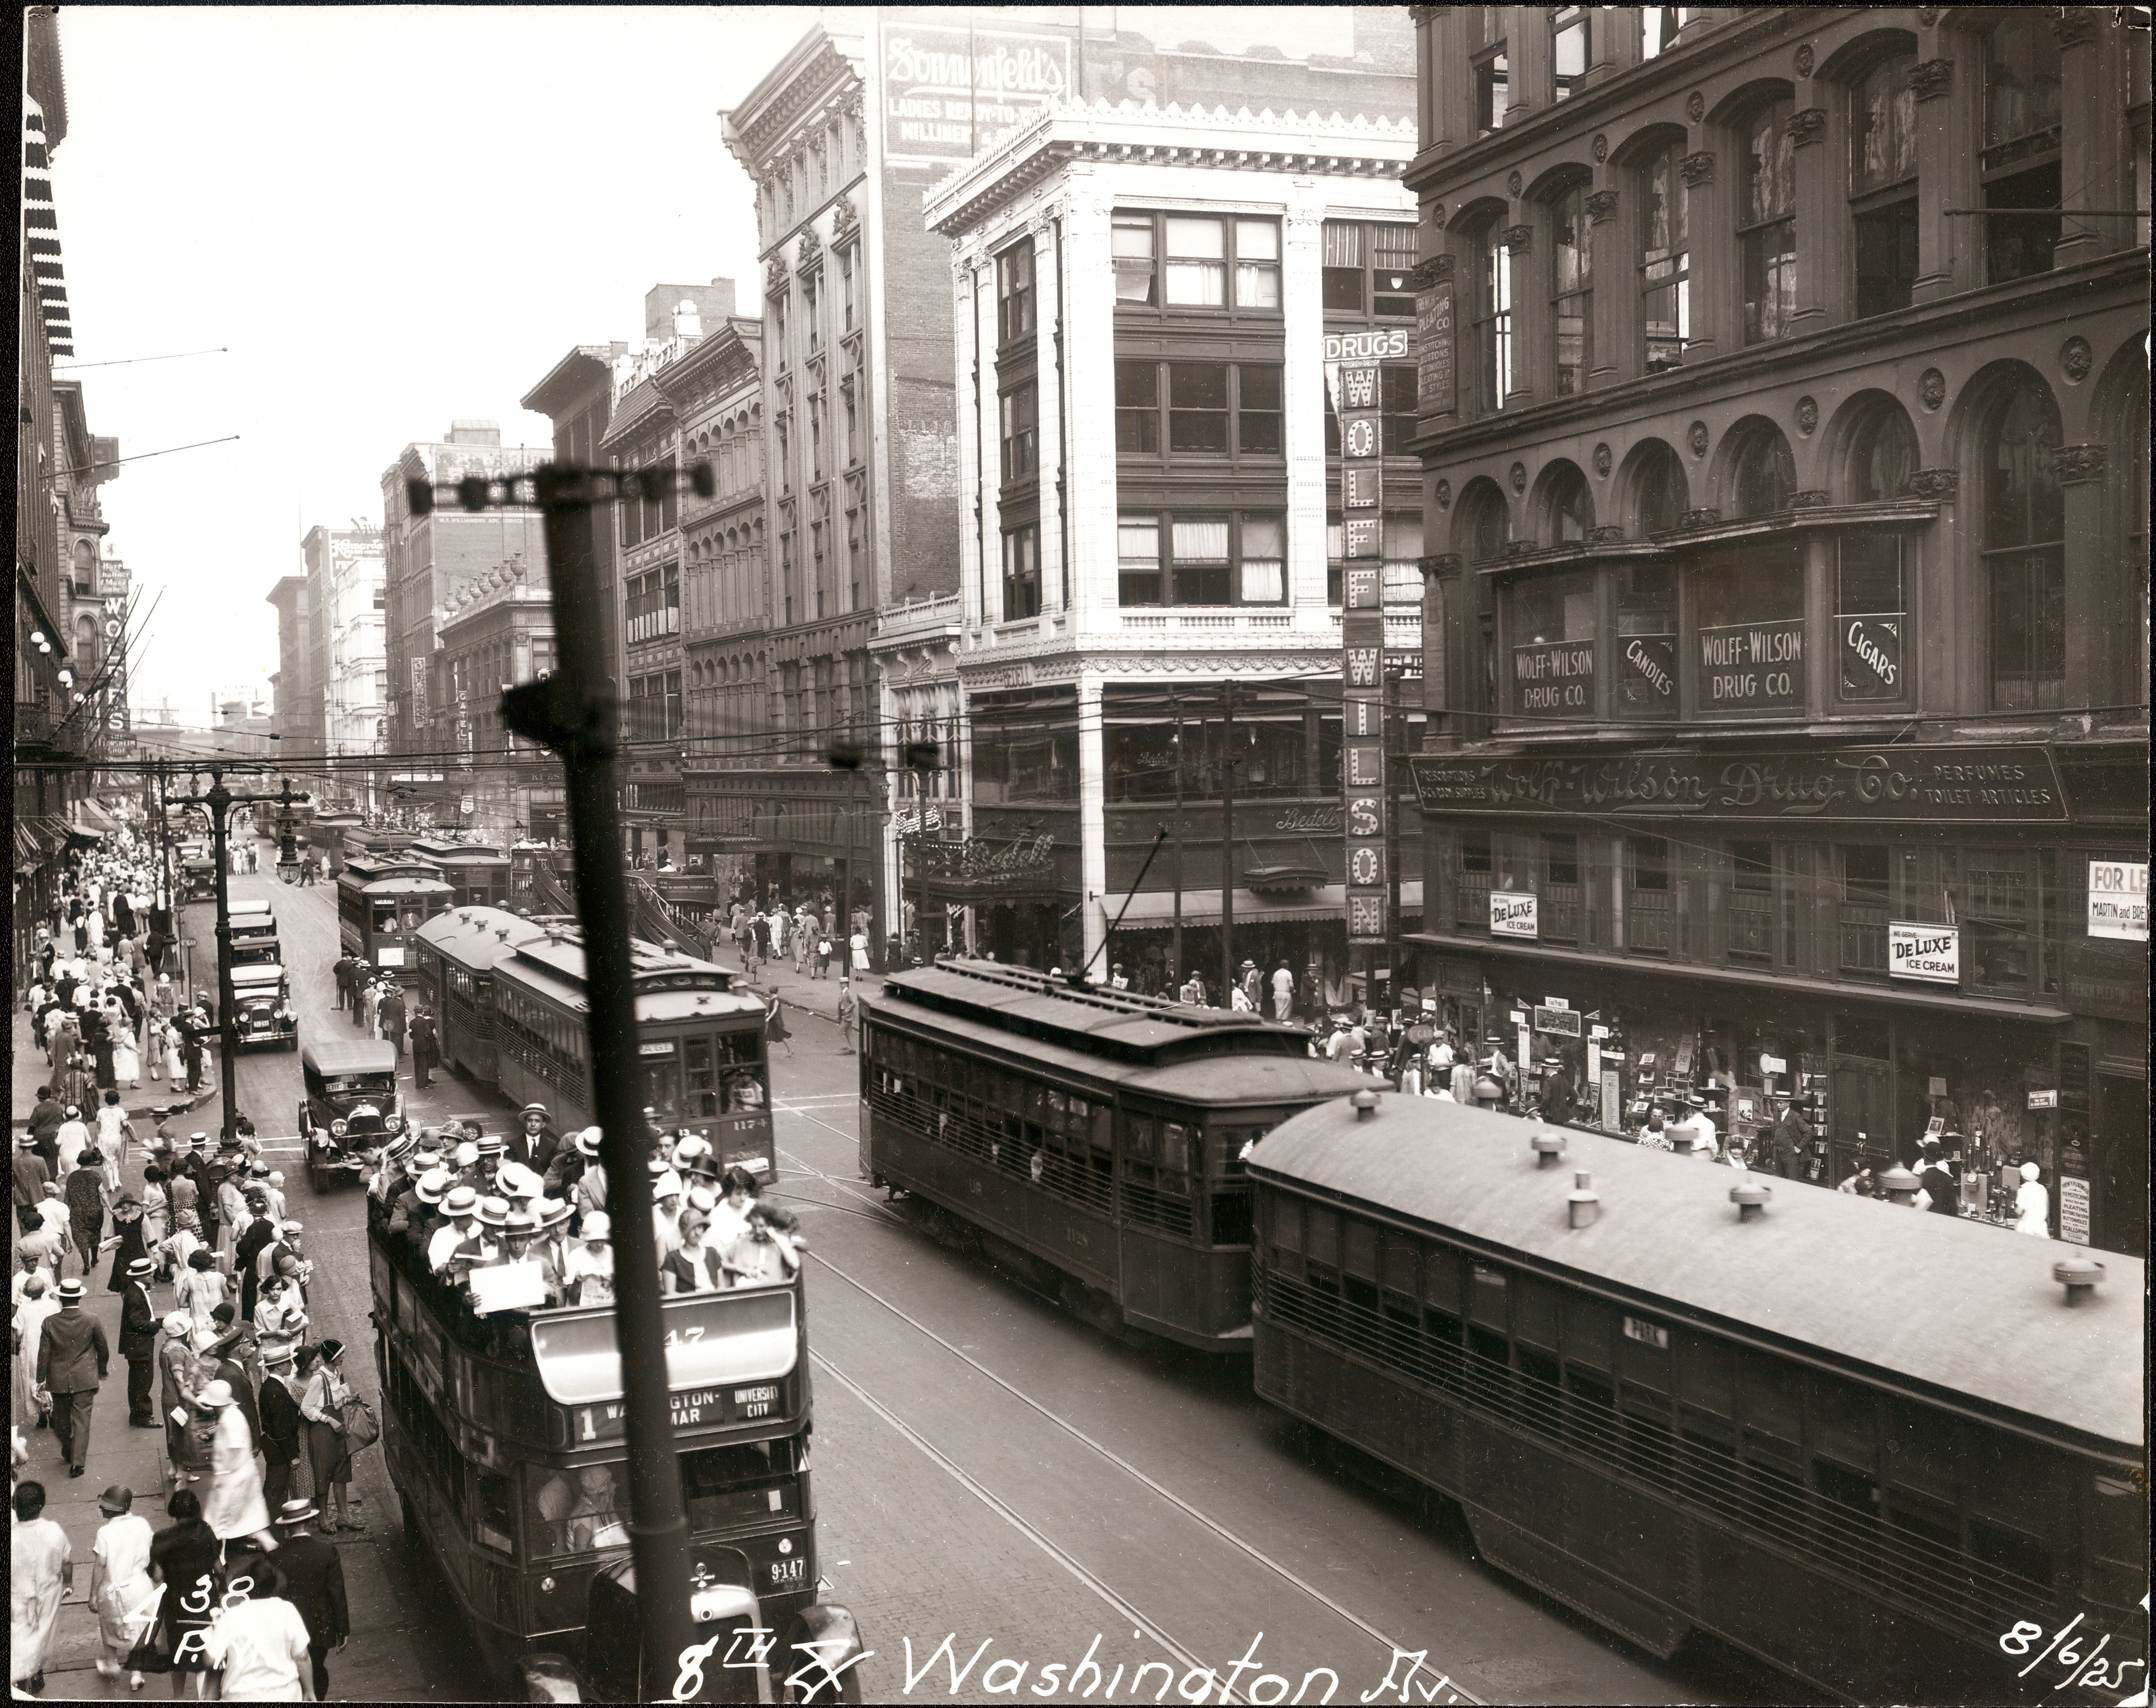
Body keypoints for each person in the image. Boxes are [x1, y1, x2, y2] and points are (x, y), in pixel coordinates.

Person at [200, 1551, 315, 1702]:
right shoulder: (287, 1610)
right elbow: (302, 1656)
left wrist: (211, 1639)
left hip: (241, 1695)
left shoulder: (232, 1616)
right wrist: (309, 1691)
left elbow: (210, 1660)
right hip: (284, 1694)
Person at [270, 1498, 349, 1702]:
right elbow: (337, 1593)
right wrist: (342, 1629)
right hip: (318, 1626)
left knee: (292, 1669)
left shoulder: (275, 1556)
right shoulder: (327, 1552)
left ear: (287, 1528)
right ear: (311, 1522)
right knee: (316, 1666)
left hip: (286, 1627)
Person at [148, 1487, 221, 1694]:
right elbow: (219, 1569)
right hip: (206, 1601)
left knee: (178, 1651)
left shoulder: (163, 1538)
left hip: (177, 1604)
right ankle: (204, 1695)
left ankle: (179, 1697)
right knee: (206, 1648)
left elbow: (157, 1576)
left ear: (174, 1512)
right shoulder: (206, 1531)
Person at [39, 1276, 110, 1477]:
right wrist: (102, 1370)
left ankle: (69, 1447)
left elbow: (43, 1354)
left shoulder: (50, 1322)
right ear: (79, 1298)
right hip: (85, 1378)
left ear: (61, 1299)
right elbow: (103, 1349)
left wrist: (40, 1380)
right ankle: (77, 1463)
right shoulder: (92, 1320)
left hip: (58, 1379)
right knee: (82, 1420)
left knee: (59, 1420)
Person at [89, 1484, 157, 1687]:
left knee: (110, 1627)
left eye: (104, 1507)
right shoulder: (142, 1523)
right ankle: (137, 1674)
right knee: (139, 1629)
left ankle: (112, 1664)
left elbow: (101, 1564)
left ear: (112, 1510)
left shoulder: (105, 1532)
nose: (101, 1509)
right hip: (140, 1585)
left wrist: (93, 1595)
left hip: (114, 1587)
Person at [10, 1480, 73, 1695]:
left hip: (18, 1597)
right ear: (41, 1506)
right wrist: (68, 1583)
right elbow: (66, 1561)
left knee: (19, 1636)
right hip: (48, 1595)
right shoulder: (54, 1531)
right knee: (42, 1634)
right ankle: (35, 1673)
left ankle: (22, 1677)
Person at [198, 1378, 275, 1551]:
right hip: (242, 1475)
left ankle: (219, 1558)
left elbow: (234, 1450)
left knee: (219, 1520)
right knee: (251, 1517)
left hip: (233, 1477)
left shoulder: (229, 1419)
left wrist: (222, 1475)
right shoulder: (233, 1414)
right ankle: (271, 1548)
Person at [298, 1340, 358, 1532]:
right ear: (332, 1357)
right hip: (323, 1432)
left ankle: (344, 1517)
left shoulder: (337, 1374)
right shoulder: (319, 1379)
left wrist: (351, 1399)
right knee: (323, 1475)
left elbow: (338, 1401)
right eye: (340, 1354)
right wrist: (328, 1420)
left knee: (341, 1473)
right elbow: (306, 1408)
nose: (343, 1357)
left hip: (339, 1429)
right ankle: (323, 1519)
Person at [258, 1343, 306, 1516]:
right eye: (288, 1362)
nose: (292, 1365)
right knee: (276, 1497)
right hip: (280, 1453)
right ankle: (275, 1537)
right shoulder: (275, 1391)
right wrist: (293, 1456)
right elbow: (282, 1428)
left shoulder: (272, 1386)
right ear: (279, 1366)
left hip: (276, 1450)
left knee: (275, 1494)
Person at [157, 1310, 204, 1480]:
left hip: (168, 1398)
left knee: (172, 1434)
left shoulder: (166, 1346)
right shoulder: (177, 1352)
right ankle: (183, 1471)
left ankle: (174, 1468)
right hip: (179, 1401)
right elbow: (178, 1377)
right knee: (181, 1435)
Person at [13, 1273, 59, 1432]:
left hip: (32, 1348)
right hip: (51, 1345)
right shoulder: (52, 1305)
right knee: (51, 1376)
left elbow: (19, 1332)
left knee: (34, 1379)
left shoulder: (24, 1308)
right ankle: (53, 1410)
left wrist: (18, 1344)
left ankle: (41, 1413)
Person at [120, 1255, 161, 1427]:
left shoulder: (135, 1291)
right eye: (148, 1273)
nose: (151, 1275)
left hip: (136, 1345)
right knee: (143, 1382)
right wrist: (156, 1325)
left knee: (137, 1381)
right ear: (139, 1276)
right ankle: (143, 1416)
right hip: (140, 1345)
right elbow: (137, 1323)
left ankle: (137, 1414)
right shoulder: (136, 1295)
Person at [177, 1247, 228, 1344]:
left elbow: (181, 1303)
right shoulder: (219, 1277)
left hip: (198, 1322)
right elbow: (227, 1296)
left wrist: (193, 1304)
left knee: (199, 1348)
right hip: (217, 1320)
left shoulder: (190, 1280)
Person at [564, 1211, 614, 1306]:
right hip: (585, 1310)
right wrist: (577, 1281)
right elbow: (571, 1298)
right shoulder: (576, 1256)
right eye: (595, 1240)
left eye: (603, 1239)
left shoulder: (613, 1254)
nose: (599, 1244)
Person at [2012, 1161, 2049, 1237]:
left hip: (2027, 1227)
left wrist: (2014, 1209)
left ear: (2023, 1176)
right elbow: (2046, 1213)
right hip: (2041, 1227)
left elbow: (2019, 1211)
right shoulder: (2043, 1189)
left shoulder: (2023, 1190)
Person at [410, 1003, 439, 1088]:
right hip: (425, 1046)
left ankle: (418, 1084)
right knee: (424, 1065)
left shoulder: (412, 1023)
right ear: (422, 1013)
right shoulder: (425, 1022)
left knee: (417, 1065)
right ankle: (424, 1084)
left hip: (416, 1046)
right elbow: (429, 1033)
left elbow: (411, 1035)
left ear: (415, 1013)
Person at [835, 979, 857, 1054]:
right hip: (844, 1015)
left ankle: (846, 1048)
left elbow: (854, 1003)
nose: (841, 985)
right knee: (848, 1033)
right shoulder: (843, 993)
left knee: (840, 1031)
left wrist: (847, 1010)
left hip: (848, 1016)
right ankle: (852, 1049)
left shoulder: (848, 993)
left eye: (843, 984)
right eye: (841, 984)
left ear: (847, 984)